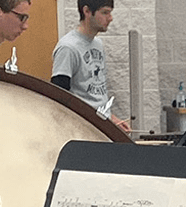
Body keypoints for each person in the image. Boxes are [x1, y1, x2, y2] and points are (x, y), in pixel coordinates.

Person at [51, 0, 131, 132]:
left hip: (102, 126)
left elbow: (95, 93)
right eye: (105, 13)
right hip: (83, 129)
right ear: (87, 11)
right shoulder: (68, 48)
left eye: (110, 13)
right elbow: (59, 95)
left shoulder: (98, 44)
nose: (110, 18)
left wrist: (111, 118)